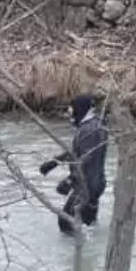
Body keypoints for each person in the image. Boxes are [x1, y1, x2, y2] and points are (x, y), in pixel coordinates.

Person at [39, 93, 109, 235]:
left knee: (66, 223)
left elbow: (85, 159)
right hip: (96, 183)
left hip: (87, 186)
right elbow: (78, 151)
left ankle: (75, 255)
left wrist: (69, 181)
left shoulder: (89, 129)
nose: (69, 111)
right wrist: (54, 162)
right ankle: (91, 254)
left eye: (72, 108)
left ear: (80, 108)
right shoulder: (94, 125)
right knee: (88, 226)